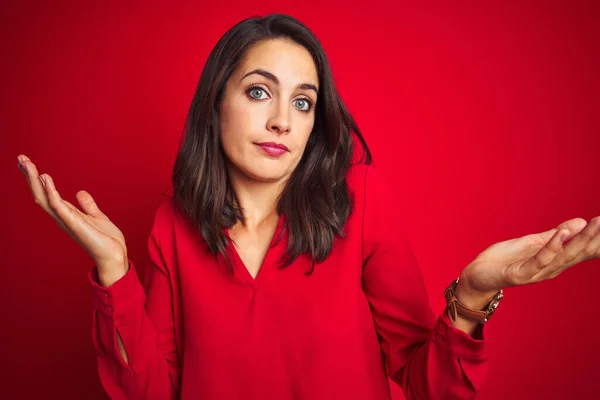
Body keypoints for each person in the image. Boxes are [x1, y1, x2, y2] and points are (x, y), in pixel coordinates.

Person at [17, 13, 599, 400]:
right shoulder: (174, 224)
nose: (282, 120)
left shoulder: (360, 200)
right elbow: (152, 391)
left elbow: (429, 387)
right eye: (259, 91)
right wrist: (114, 273)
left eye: (303, 101)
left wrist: (471, 294)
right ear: (215, 101)